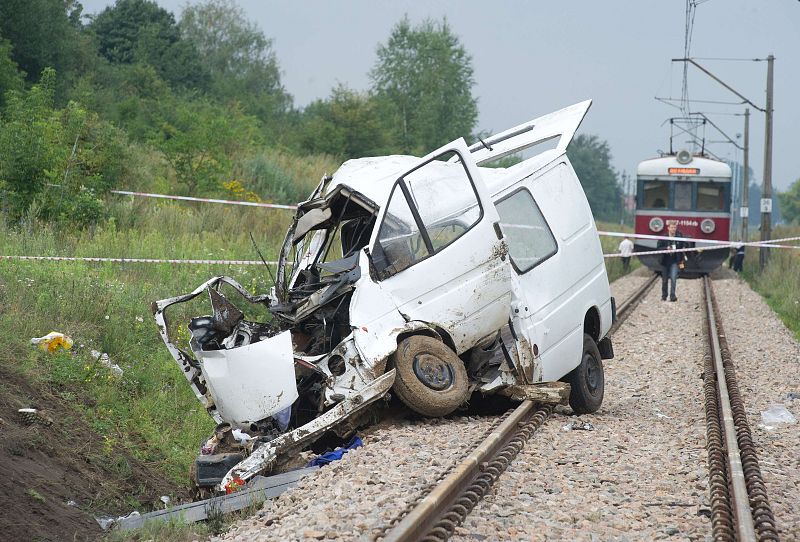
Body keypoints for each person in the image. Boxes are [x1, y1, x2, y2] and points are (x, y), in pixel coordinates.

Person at [656, 222, 688, 302]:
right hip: (665, 261)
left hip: (675, 261)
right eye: (672, 227)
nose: (673, 229)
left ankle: (672, 296)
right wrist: (666, 248)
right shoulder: (663, 238)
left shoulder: (679, 237)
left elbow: (685, 244)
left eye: (675, 227)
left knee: (674, 278)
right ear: (668, 228)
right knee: (664, 280)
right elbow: (658, 248)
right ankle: (664, 296)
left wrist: (684, 246)